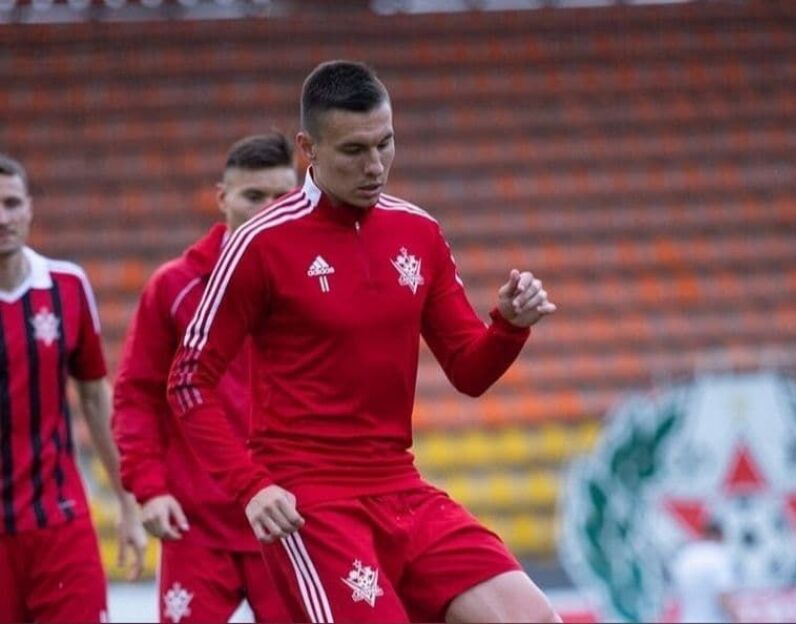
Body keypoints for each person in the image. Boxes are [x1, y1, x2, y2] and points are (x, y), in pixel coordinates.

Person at [168, 60, 560, 623]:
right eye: (354, 150)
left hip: (402, 487)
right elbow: (188, 381)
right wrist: (251, 486)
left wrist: (509, 327)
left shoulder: (418, 232)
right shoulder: (261, 242)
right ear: (308, 149)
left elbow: (468, 372)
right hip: (310, 503)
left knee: (534, 618)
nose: (375, 166)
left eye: (385, 143)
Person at [113, 133, 298, 623]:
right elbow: (136, 396)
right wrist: (150, 488)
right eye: (253, 196)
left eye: (282, 197)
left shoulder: (316, 285)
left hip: (289, 519)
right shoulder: (174, 287)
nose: (268, 210)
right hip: (196, 525)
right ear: (222, 198)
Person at [0, 153, 146, 623]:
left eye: (11, 203)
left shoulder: (66, 285)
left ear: (29, 207)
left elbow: (95, 397)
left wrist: (127, 503)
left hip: (59, 523)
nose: (2, 218)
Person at [671, 520, 737, 623]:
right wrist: (736, 618)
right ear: (719, 536)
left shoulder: (686, 555)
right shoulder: (718, 555)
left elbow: (675, 589)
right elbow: (723, 596)